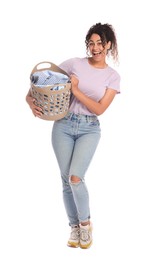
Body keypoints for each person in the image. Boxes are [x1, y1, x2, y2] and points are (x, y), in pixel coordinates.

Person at [26, 22, 120, 249]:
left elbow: (99, 109)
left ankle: (86, 225)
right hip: (63, 125)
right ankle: (74, 227)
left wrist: (76, 90)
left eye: (100, 43)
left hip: (89, 128)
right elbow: (37, 86)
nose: (95, 48)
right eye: (91, 43)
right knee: (66, 179)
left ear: (108, 45)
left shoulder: (112, 76)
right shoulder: (73, 64)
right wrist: (31, 103)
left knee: (76, 178)